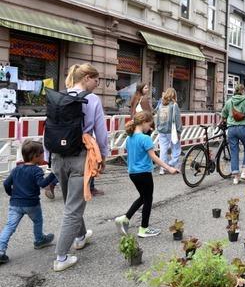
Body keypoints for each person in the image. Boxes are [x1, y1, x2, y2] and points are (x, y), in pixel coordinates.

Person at [52, 63, 109, 272]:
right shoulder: (92, 99)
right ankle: (61, 257)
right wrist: (103, 156)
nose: (97, 84)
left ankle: (80, 236)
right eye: (96, 79)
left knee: (71, 202)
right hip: (80, 156)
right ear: (86, 78)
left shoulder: (59, 96)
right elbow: (101, 133)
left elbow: (49, 126)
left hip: (58, 155)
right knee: (73, 208)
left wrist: (49, 157)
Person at [114, 112, 179, 238]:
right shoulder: (145, 139)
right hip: (144, 173)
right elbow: (154, 157)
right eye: (149, 125)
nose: (150, 128)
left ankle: (125, 218)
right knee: (148, 199)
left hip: (133, 173)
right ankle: (144, 228)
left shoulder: (129, 138)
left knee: (143, 197)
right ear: (143, 122)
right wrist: (169, 168)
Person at [0, 141, 56, 264]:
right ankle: (39, 240)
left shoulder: (16, 169)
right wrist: (53, 175)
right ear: (35, 156)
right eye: (42, 154)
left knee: (9, 226)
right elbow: (42, 184)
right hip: (32, 204)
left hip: (15, 204)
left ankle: (0, 250)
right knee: (37, 221)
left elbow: (6, 183)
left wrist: (11, 194)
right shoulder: (36, 170)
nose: (44, 157)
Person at [221, 84, 245, 185]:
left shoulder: (229, 101)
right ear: (243, 91)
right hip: (243, 128)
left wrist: (226, 119)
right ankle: (244, 173)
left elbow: (223, 114)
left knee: (234, 151)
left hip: (231, 129)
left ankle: (235, 177)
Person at [155, 88, 182, 175]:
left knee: (163, 149)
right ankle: (172, 164)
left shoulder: (161, 104)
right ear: (174, 95)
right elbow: (177, 119)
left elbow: (157, 117)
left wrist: (158, 126)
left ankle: (162, 168)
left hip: (162, 130)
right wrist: (179, 131)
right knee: (176, 148)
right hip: (172, 131)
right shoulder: (174, 105)